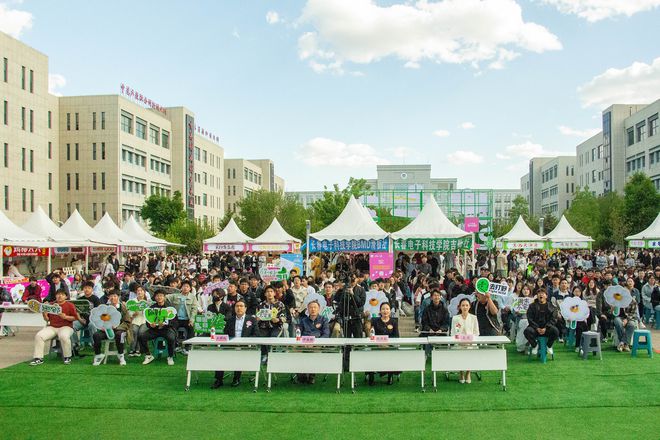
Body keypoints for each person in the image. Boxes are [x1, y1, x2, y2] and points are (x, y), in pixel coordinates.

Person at [211, 299, 258, 389]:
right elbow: (226, 333)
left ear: (245, 308)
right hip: (231, 345)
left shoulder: (251, 319)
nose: (239, 308)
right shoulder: (230, 319)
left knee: (239, 355)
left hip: (245, 346)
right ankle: (218, 380)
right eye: (237, 306)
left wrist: (246, 342)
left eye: (241, 306)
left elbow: (256, 334)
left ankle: (236, 378)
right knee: (220, 355)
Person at [30, 289, 80, 366]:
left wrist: (65, 317)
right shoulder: (51, 305)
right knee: (39, 336)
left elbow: (75, 318)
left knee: (64, 336)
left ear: (66, 296)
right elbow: (47, 319)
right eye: (58, 294)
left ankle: (67, 357)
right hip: (52, 327)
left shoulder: (70, 305)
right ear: (55, 296)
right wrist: (44, 313)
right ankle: (38, 358)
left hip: (66, 326)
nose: (60, 296)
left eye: (62, 294)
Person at [92, 290, 131, 366]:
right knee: (96, 335)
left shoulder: (122, 307)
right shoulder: (104, 307)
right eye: (111, 296)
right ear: (108, 297)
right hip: (106, 330)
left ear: (118, 297)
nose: (113, 298)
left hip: (119, 329)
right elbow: (100, 320)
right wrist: (102, 327)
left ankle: (121, 356)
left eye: (115, 296)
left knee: (119, 335)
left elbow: (127, 322)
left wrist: (117, 327)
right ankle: (98, 355)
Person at [139, 290, 177, 366]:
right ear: (155, 298)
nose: (159, 297)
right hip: (154, 330)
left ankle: (170, 356)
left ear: (164, 297)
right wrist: (150, 325)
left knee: (171, 338)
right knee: (141, 336)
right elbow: (148, 321)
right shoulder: (152, 308)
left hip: (166, 329)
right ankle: (148, 355)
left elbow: (175, 321)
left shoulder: (170, 308)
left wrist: (165, 324)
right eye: (157, 296)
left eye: (161, 296)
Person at [296, 300, 330, 384]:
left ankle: (312, 375)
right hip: (303, 344)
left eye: (315, 307)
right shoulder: (303, 320)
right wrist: (303, 343)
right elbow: (298, 334)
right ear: (307, 309)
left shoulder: (324, 320)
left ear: (319, 309)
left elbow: (326, 334)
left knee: (314, 353)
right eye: (311, 307)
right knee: (295, 352)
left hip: (317, 344)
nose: (313, 309)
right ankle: (301, 374)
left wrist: (315, 343)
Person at [367, 302, 399, 385]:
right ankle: (371, 375)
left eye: (387, 309)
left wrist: (387, 344)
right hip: (376, 346)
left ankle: (390, 375)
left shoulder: (394, 321)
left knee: (391, 354)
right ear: (380, 311)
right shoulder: (375, 320)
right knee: (370, 353)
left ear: (390, 311)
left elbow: (396, 336)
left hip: (389, 347)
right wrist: (377, 342)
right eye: (383, 309)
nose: (385, 311)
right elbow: (372, 334)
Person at [450, 297, 480, 384]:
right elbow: (453, 333)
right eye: (463, 305)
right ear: (460, 307)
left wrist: (469, 340)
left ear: (469, 306)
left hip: (471, 343)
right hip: (459, 343)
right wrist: (460, 340)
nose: (465, 307)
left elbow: (476, 333)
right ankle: (461, 373)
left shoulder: (474, 318)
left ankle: (468, 373)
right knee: (459, 352)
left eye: (467, 305)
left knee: (470, 353)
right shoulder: (455, 318)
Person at [166, 280, 198, 354]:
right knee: (172, 329)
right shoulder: (175, 295)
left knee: (191, 330)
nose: (185, 288)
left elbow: (194, 309)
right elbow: (165, 298)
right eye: (184, 286)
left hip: (187, 319)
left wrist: (192, 320)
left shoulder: (193, 297)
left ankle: (187, 347)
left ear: (190, 288)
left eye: (187, 286)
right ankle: (176, 346)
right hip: (176, 319)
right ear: (181, 287)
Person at [524, 289, 559, 357]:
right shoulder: (532, 306)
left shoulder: (552, 307)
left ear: (546, 296)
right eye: (539, 293)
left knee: (555, 331)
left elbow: (553, 319)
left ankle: (549, 346)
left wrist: (546, 328)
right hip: (535, 328)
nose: (541, 295)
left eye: (543, 293)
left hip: (547, 328)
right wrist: (537, 328)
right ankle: (535, 346)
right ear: (537, 296)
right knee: (527, 331)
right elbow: (530, 319)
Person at [128, 285, 151, 356]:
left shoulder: (148, 302)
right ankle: (132, 349)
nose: (139, 292)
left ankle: (138, 349)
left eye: (141, 290)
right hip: (135, 320)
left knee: (141, 332)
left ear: (144, 292)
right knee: (134, 331)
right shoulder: (132, 302)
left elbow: (151, 314)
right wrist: (134, 314)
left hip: (145, 321)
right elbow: (129, 314)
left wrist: (145, 311)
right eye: (138, 291)